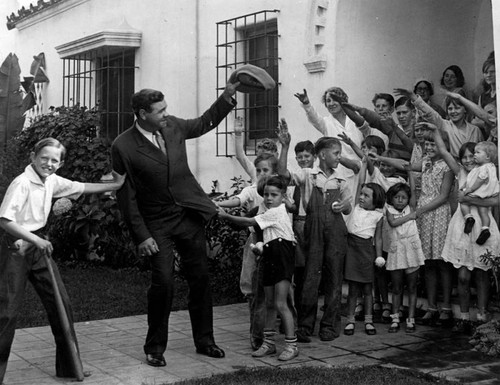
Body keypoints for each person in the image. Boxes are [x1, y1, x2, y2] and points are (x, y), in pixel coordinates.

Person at [111, 81, 237, 367]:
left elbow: (204, 123)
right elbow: (126, 197)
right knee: (163, 283)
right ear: (142, 114)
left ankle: (205, 341)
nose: (166, 114)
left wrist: (227, 97)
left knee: (201, 279)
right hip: (156, 223)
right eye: (160, 111)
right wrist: (142, 235)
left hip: (188, 215)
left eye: (166, 109)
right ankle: (154, 347)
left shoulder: (173, 126)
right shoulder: (123, 146)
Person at [0, 137, 125, 383]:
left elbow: (81, 187)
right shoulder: (22, 183)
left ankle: (69, 367)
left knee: (61, 305)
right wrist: (36, 241)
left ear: (61, 163)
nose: (48, 163)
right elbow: (5, 221)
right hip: (16, 248)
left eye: (54, 160)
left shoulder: (52, 181)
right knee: (6, 312)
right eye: (44, 158)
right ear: (33, 157)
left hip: (39, 248)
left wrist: (117, 185)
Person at [372, 131, 455, 327]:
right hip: (423, 214)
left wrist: (416, 212)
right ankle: (432, 307)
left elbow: (443, 196)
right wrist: (381, 157)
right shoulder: (426, 162)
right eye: (427, 144)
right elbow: (406, 165)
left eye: (433, 144)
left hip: (438, 212)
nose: (429, 148)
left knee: (442, 262)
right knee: (426, 261)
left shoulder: (448, 166)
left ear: (443, 146)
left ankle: (446, 308)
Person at [277, 128, 352, 343]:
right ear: (323, 155)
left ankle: (329, 325)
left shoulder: (341, 180)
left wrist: (344, 206)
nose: (339, 157)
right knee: (310, 279)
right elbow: (283, 175)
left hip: (336, 232)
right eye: (336, 153)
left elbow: (348, 209)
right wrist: (285, 146)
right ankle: (305, 326)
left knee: (334, 279)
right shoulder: (308, 175)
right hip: (314, 230)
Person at [217, 176, 298, 361]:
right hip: (270, 257)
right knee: (269, 303)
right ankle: (269, 344)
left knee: (280, 303)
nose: (269, 198)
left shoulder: (277, 212)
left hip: (282, 260)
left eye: (274, 195)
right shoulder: (270, 211)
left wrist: (226, 215)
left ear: (283, 197)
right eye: (266, 195)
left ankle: (292, 345)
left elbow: (249, 222)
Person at [430, 125, 500, 332]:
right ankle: (463, 317)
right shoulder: (460, 172)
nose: (469, 160)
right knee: (462, 275)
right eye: (465, 157)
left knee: (481, 273)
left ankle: (481, 316)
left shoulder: (488, 172)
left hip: (483, 226)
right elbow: (443, 150)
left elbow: (495, 201)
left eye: (473, 156)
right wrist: (434, 130)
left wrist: (466, 198)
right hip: (462, 226)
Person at [216, 153, 276, 350]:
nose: (261, 174)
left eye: (265, 170)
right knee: (252, 288)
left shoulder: (280, 192)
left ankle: (280, 333)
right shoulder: (253, 190)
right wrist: (219, 204)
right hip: (254, 243)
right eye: (258, 170)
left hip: (275, 244)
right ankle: (256, 333)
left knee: (277, 291)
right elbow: (238, 200)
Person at [294, 88, 363, 210]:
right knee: (338, 206)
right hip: (337, 170)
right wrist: (306, 103)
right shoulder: (326, 123)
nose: (331, 104)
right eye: (328, 101)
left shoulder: (355, 120)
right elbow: (314, 118)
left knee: (356, 206)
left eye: (334, 100)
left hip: (358, 170)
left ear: (343, 101)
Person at [343, 179, 385, 336]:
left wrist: (379, 256)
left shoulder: (378, 216)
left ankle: (369, 321)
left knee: (368, 289)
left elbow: (378, 238)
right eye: (361, 194)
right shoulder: (355, 208)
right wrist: (364, 163)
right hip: (352, 249)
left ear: (376, 200)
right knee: (353, 289)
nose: (361, 197)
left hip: (366, 252)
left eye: (366, 196)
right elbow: (359, 179)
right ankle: (350, 320)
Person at [395, 88, 484, 159]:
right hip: (453, 168)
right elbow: (430, 113)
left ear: (465, 109)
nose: (453, 111)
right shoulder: (444, 125)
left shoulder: (475, 130)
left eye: (457, 108)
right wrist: (413, 97)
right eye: (450, 109)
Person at [384, 182, 425, 334]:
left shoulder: (411, 207)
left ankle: (411, 319)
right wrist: (410, 217)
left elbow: (413, 191)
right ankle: (395, 319)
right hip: (397, 252)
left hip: (412, 250)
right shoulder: (389, 210)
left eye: (403, 197)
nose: (400, 200)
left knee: (412, 287)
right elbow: (393, 222)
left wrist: (410, 174)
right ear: (391, 198)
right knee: (396, 287)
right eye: (397, 197)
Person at [290, 140, 316, 318]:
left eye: (307, 156)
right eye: (300, 157)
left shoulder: (316, 175)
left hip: (312, 221)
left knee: (310, 269)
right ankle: (296, 309)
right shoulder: (299, 175)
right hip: (297, 222)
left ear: (314, 157)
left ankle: (307, 311)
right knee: (298, 268)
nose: (303, 159)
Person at [460, 141, 499, 245]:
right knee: (483, 211)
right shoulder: (490, 167)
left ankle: (468, 217)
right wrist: (465, 185)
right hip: (486, 195)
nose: (475, 155)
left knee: (463, 203)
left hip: (479, 192)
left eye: (477, 153)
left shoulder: (484, 168)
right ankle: (485, 229)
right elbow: (469, 179)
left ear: (487, 157)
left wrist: (470, 189)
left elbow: (480, 180)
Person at [233, 116, 279, 183]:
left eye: (267, 157)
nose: (264, 161)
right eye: (260, 157)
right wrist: (238, 134)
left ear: (276, 155)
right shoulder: (255, 171)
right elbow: (240, 156)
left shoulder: (283, 172)